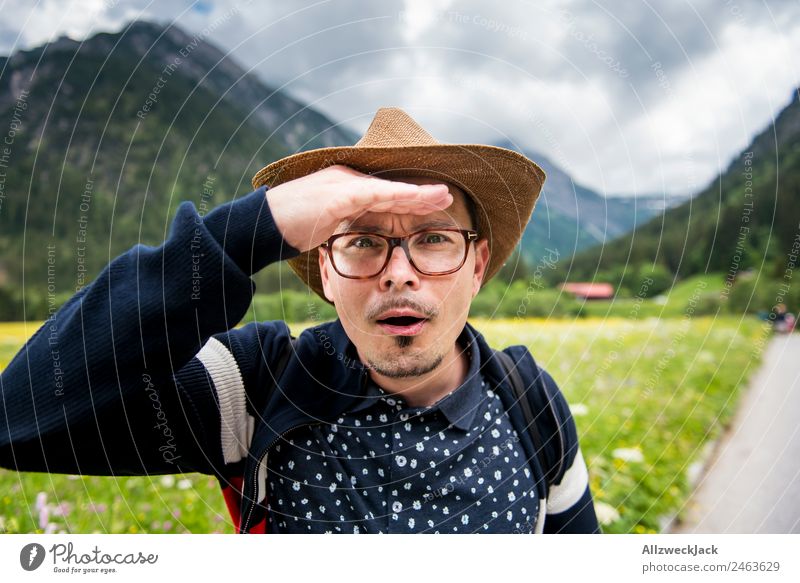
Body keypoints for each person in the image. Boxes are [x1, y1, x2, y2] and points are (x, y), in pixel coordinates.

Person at [0, 107, 600, 534]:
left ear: (477, 264)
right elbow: (17, 416)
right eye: (363, 241)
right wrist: (249, 229)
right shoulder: (255, 387)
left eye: (435, 238)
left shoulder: (531, 402)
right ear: (327, 271)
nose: (398, 273)